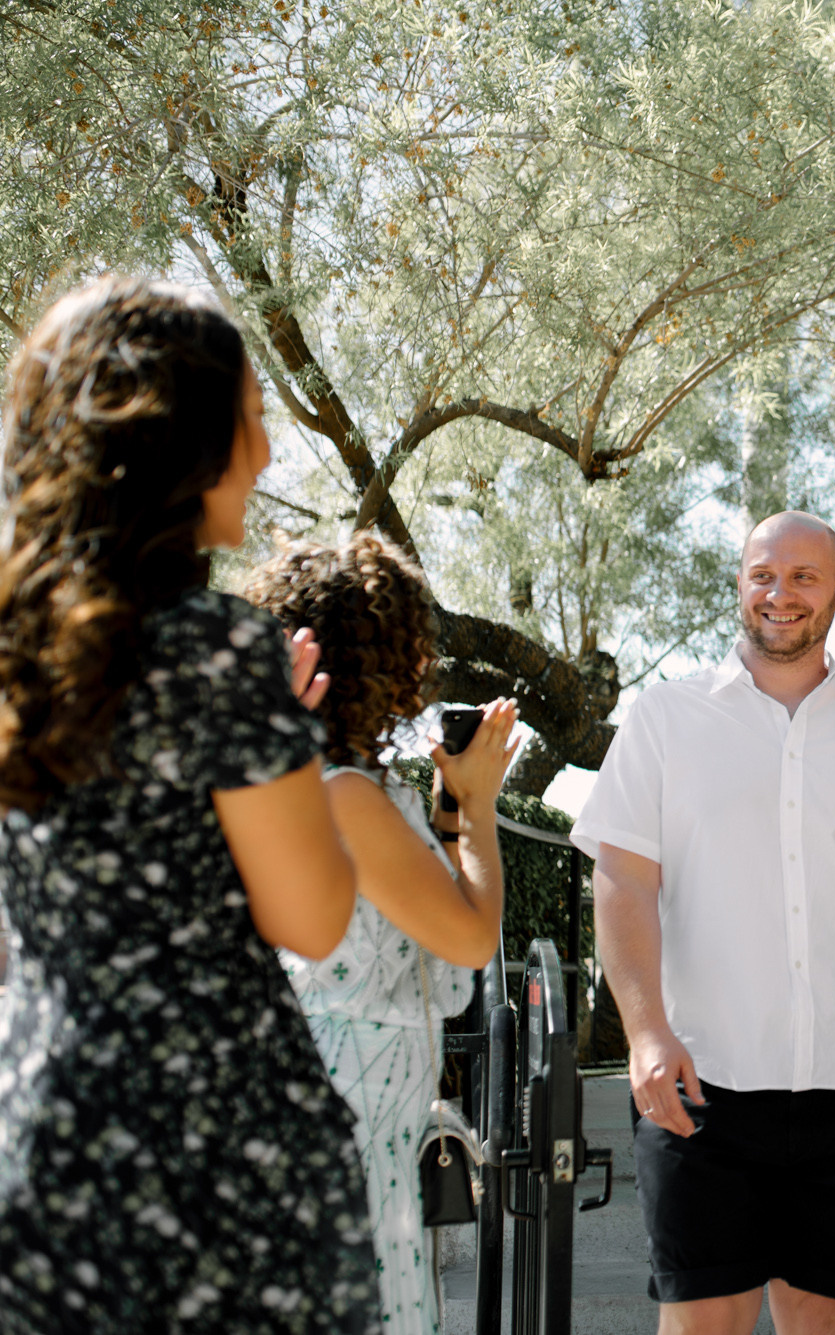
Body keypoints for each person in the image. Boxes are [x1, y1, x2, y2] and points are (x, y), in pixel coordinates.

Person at [0, 276, 377, 1331]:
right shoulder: (220, 652)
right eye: (250, 421)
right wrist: (288, 740)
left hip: (44, 1143)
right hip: (222, 1151)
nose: (264, 453)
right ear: (179, 443)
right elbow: (310, 917)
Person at [574, 511, 835, 1335]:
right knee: (701, 1328)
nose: (779, 593)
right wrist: (645, 1032)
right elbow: (622, 880)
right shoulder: (664, 718)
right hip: (702, 1088)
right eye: (763, 573)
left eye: (803, 577)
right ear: (741, 584)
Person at [246, 534, 519, 1335]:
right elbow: (470, 942)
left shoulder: (331, 785)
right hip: (349, 1129)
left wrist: (446, 815)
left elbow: (434, 955)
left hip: (362, 1129)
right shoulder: (348, 795)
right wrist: (477, 813)